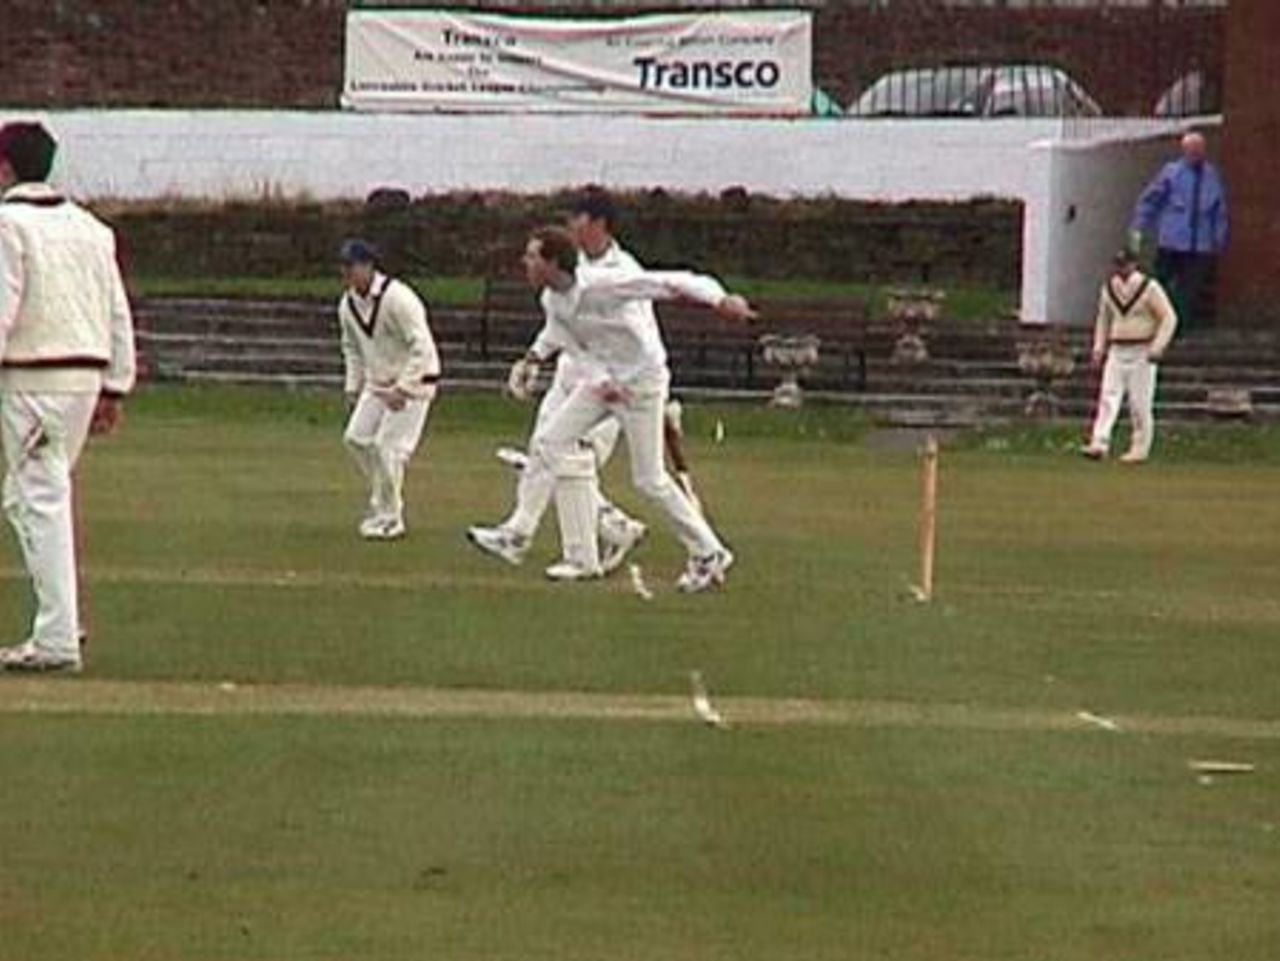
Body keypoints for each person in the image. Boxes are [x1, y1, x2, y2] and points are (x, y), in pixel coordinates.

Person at [517, 225, 754, 592]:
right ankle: (526, 531)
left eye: (532, 256)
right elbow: (575, 347)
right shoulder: (552, 301)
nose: (525, 262)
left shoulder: (604, 283)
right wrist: (598, 380)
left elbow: (672, 282)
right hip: (606, 384)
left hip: (643, 382)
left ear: (553, 263)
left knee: (649, 479)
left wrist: (720, 299)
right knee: (548, 442)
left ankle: (709, 552)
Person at [0, 122, 135, 673]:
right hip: (80, 379)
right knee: (25, 496)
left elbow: (3, 304)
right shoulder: (91, 228)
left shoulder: (8, 225)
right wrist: (115, 384)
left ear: (5, 168)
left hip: (35, 380)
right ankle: (60, 619)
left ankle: (56, 638)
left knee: (40, 497)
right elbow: (116, 310)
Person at [467, 188, 646, 579]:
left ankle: (583, 550)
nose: (571, 225)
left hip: (610, 384)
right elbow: (557, 324)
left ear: (598, 223)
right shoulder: (571, 268)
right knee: (547, 452)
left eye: (577, 217)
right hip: (571, 375)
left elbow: (638, 334)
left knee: (572, 460)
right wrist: (533, 358)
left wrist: (649, 387)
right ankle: (600, 532)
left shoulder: (623, 272)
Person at [337, 238, 440, 540]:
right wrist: (352, 387)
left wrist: (405, 388)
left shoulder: (398, 298)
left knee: (388, 449)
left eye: (352, 266)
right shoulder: (347, 305)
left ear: (369, 266)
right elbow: (352, 348)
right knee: (356, 439)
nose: (347, 273)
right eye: (343, 267)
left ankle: (391, 517)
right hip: (378, 383)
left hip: (416, 381)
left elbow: (422, 345)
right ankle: (382, 499)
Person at [1082, 249, 1178, 464]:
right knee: (1108, 397)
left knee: (1139, 402)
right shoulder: (1109, 288)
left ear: (1134, 265)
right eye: (1118, 265)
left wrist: (1158, 346)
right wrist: (1099, 348)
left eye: (1125, 265)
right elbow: (1103, 320)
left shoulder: (1149, 288)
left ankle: (1139, 448)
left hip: (1142, 351)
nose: (1121, 269)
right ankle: (1099, 442)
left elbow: (1168, 318)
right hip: (1117, 350)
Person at [1130, 131, 1228, 331]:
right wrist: (1139, 226)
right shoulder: (1172, 172)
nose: (1195, 154)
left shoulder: (1211, 175)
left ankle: (1180, 325)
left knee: (1190, 288)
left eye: (1198, 150)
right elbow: (1151, 200)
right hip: (1172, 239)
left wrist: (1219, 237)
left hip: (1200, 243)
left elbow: (1219, 209)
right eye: (1191, 150)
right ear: (1184, 151)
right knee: (1162, 281)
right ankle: (1157, 320)